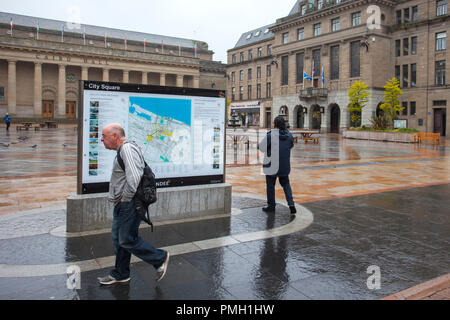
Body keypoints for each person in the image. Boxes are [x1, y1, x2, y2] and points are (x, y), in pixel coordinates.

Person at [98, 123, 169, 285]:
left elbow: (135, 177)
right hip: (122, 203)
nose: (102, 139)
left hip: (129, 203)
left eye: (104, 136)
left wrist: (125, 199)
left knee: (127, 239)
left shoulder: (127, 149)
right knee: (119, 240)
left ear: (115, 136)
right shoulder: (123, 150)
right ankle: (121, 273)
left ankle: (159, 258)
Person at [258, 115, 296, 214]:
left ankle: (271, 206)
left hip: (271, 165)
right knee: (286, 184)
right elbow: (291, 145)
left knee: (270, 185)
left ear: (274, 125)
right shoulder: (289, 136)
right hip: (284, 165)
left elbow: (261, 147)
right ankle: (291, 204)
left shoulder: (271, 135)